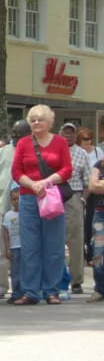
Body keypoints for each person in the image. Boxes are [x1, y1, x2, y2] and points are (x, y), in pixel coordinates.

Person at [11, 104, 71, 306]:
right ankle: (30, 291)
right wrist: (33, 185)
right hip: (28, 198)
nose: (36, 122)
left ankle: (51, 291)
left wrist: (45, 183)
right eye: (33, 119)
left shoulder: (61, 142)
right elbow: (16, 172)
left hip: (52, 196)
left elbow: (67, 169)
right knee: (30, 246)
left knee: (53, 246)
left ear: (50, 122)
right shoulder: (23, 143)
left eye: (40, 119)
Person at [0, 120, 30, 300]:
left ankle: (26, 286)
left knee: (27, 249)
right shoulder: (2, 152)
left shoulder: (33, 150)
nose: (16, 137)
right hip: (5, 206)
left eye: (20, 134)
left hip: (28, 208)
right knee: (1, 249)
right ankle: (0, 284)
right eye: (14, 133)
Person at [59, 122, 91, 294]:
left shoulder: (81, 153)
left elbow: (88, 181)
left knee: (76, 240)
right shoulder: (54, 149)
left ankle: (76, 280)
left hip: (74, 196)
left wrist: (83, 200)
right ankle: (56, 278)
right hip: (54, 196)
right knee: (55, 239)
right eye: (65, 132)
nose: (68, 136)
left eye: (71, 133)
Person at [78, 126, 104, 264]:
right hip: (81, 189)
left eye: (89, 139)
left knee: (91, 221)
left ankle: (91, 254)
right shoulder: (79, 152)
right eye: (85, 139)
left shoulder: (97, 151)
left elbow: (100, 170)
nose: (87, 142)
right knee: (80, 222)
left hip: (94, 191)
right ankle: (81, 253)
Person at [86, 157, 104, 303]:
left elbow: (98, 185)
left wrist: (101, 183)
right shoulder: (99, 164)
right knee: (97, 252)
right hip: (100, 214)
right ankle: (99, 289)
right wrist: (97, 183)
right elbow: (92, 186)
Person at [3, 187, 22, 304]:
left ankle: (25, 292)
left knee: (27, 270)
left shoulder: (27, 214)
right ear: (11, 201)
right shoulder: (8, 215)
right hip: (14, 247)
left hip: (25, 247)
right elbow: (5, 233)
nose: (17, 202)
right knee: (15, 271)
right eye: (14, 199)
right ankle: (15, 293)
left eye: (19, 199)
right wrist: (7, 248)